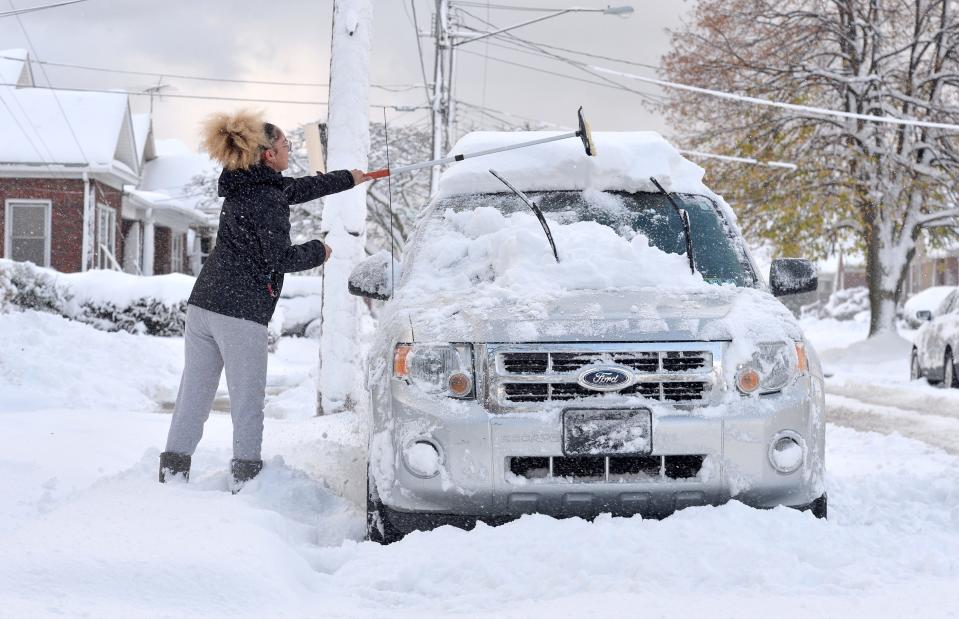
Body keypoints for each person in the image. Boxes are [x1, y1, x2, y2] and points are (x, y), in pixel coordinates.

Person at [159, 109, 371, 490]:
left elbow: (295, 189)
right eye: (286, 145)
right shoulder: (267, 199)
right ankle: (247, 480)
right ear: (269, 154)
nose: (290, 148)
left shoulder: (246, 185)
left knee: (194, 392)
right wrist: (319, 251)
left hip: (204, 304)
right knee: (247, 400)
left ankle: (172, 472)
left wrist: (347, 179)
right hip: (239, 312)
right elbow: (281, 258)